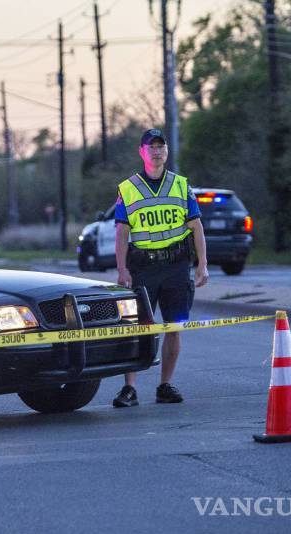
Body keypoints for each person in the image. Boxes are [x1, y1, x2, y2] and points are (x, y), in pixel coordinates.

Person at [112, 128, 209, 407]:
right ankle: (129, 388)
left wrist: (202, 264)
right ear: (142, 152)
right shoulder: (127, 188)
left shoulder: (181, 185)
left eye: (161, 146)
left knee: (173, 326)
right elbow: (121, 234)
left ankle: (165, 385)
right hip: (143, 267)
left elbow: (196, 227)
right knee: (138, 328)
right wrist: (122, 270)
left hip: (176, 266)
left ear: (166, 151)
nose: (157, 151)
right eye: (151, 147)